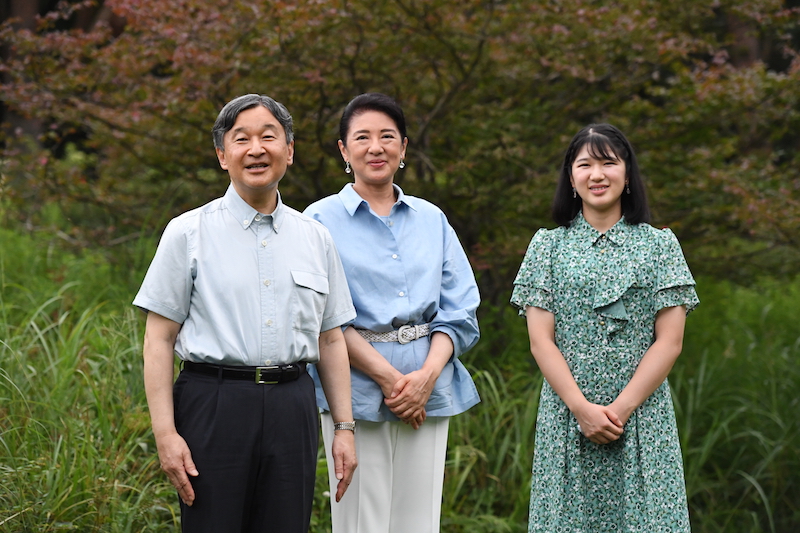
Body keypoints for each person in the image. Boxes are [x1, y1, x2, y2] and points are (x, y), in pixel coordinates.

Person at [133, 94, 358, 533]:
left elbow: (331, 339)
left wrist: (344, 428)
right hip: (212, 403)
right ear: (223, 155)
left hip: (292, 406)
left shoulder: (316, 238)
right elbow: (157, 340)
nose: (256, 149)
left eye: (268, 136)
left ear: (289, 151)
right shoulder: (188, 232)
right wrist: (165, 433)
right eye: (241, 139)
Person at [303, 92, 481, 533]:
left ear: (403, 147)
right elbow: (322, 318)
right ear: (344, 150)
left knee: (419, 521)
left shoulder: (431, 218)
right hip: (356, 390)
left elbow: (460, 309)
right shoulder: (317, 221)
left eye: (387, 136)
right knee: (361, 520)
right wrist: (390, 380)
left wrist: (423, 379)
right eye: (361, 137)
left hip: (429, 386)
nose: (375, 147)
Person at [511, 124, 699, 532]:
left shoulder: (661, 245)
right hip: (567, 414)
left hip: (643, 415)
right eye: (585, 165)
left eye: (608, 163)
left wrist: (619, 410)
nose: (597, 174)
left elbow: (669, 342)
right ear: (571, 178)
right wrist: (582, 410)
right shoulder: (547, 246)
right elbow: (541, 342)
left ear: (627, 175)